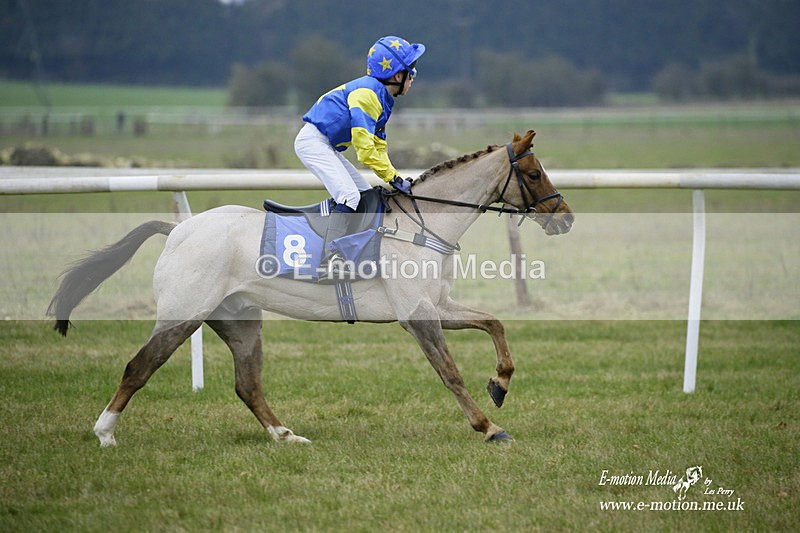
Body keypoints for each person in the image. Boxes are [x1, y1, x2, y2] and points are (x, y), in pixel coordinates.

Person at [295, 35, 425, 280]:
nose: (413, 78)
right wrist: (392, 178)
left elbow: (378, 146)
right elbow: (365, 151)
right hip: (313, 143)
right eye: (412, 71)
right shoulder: (368, 95)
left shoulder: (382, 98)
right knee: (349, 195)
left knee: (365, 195)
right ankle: (329, 259)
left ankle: (356, 253)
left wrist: (393, 176)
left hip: (326, 145)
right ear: (398, 76)